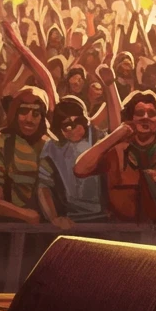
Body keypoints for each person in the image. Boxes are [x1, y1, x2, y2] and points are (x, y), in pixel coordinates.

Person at [72, 91, 156, 223]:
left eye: (152, 114)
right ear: (130, 118)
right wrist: (118, 134)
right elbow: (80, 169)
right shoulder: (116, 150)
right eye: (140, 113)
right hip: (122, 230)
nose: (145, 117)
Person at [0, 87, 51, 224]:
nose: (29, 119)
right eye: (23, 112)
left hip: (46, 229)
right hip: (7, 228)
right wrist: (25, 215)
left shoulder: (50, 145)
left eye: (36, 113)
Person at [38, 96, 106, 227]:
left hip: (104, 216)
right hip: (71, 218)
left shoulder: (98, 138)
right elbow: (43, 186)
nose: (76, 129)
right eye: (68, 125)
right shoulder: (52, 147)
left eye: (79, 121)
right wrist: (54, 217)